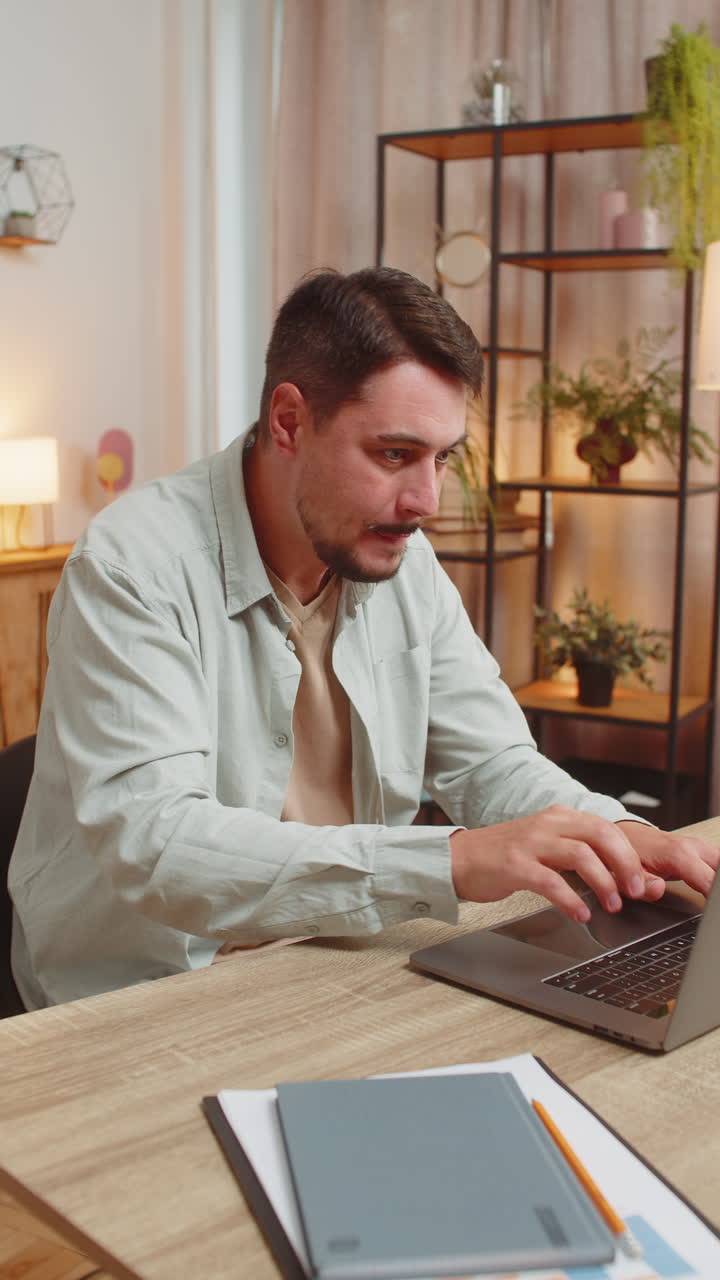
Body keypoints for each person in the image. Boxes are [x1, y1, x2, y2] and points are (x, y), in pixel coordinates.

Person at [10, 267, 718, 1010]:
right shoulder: (132, 567)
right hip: (144, 992)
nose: (427, 501)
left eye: (443, 458)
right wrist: (448, 863)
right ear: (289, 421)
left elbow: (493, 764)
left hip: (336, 960)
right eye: (393, 455)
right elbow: (158, 845)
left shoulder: (399, 558)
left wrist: (619, 835)